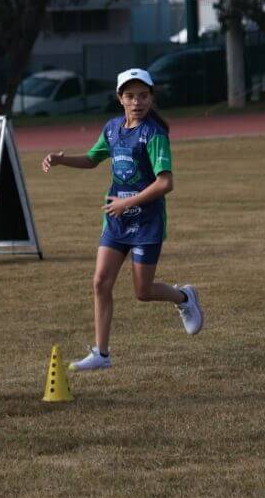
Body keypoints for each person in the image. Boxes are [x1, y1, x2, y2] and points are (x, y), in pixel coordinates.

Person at [41, 67, 204, 371]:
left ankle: (184, 297)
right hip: (115, 221)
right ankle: (102, 354)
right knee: (100, 281)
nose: (137, 102)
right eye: (130, 96)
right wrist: (62, 159)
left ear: (152, 98)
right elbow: (92, 159)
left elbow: (165, 183)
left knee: (143, 292)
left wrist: (128, 201)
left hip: (146, 223)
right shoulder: (113, 129)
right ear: (120, 99)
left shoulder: (153, 135)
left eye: (143, 96)